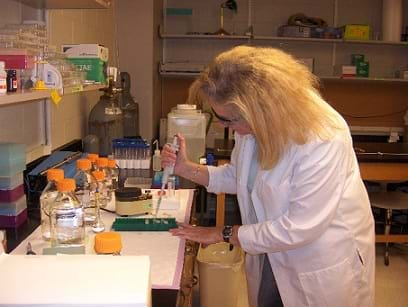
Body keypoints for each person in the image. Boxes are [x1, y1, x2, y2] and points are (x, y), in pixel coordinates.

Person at [162, 46, 375, 307]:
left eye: (228, 120)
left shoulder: (323, 136)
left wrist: (223, 233)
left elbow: (299, 227)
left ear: (262, 111)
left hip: (316, 259)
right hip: (269, 251)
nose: (223, 127)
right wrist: (187, 168)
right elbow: (240, 177)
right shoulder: (252, 128)